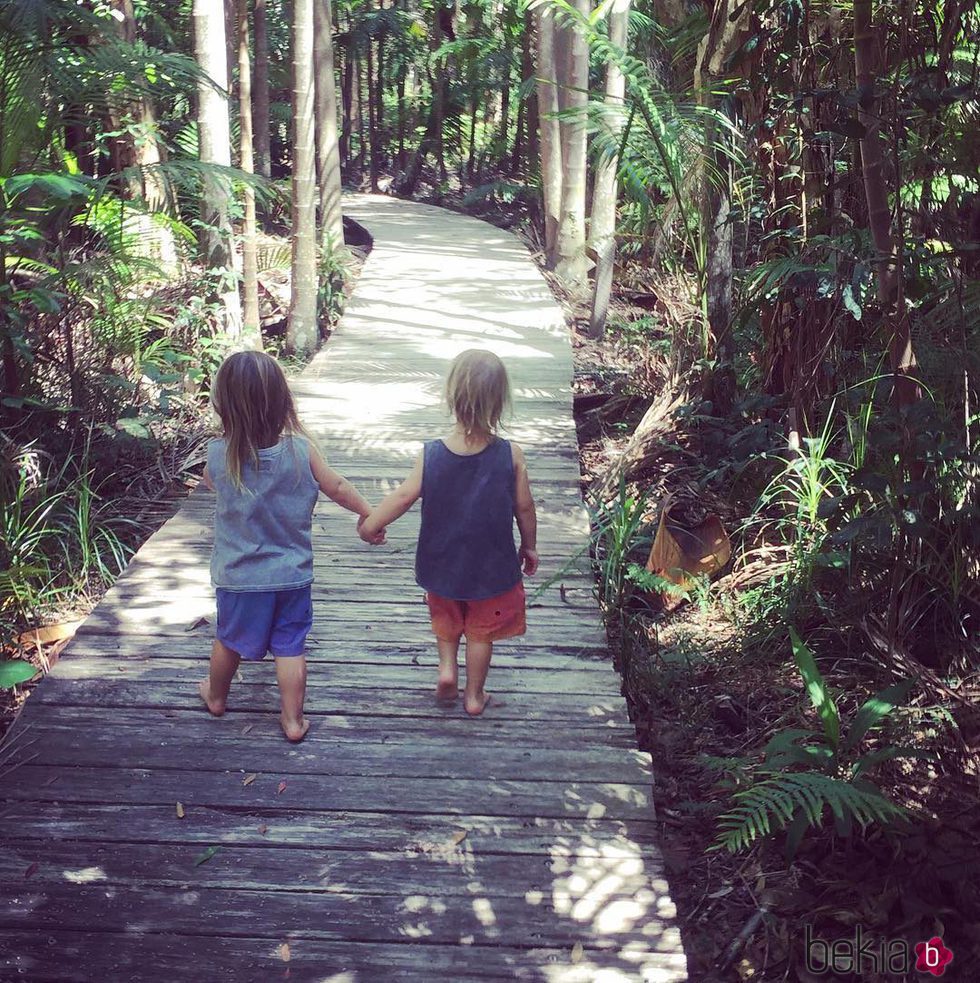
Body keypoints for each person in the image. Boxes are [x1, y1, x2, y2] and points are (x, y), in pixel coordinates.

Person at [198, 350, 380, 742]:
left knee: (229, 639)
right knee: (290, 645)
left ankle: (215, 696)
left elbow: (212, 485)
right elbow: (338, 486)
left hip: (239, 577)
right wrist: (367, 512)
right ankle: (294, 721)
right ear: (284, 402)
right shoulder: (301, 452)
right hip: (292, 576)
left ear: (224, 406)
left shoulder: (218, 457)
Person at [358, 349, 538, 716]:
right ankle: (474, 696)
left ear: (451, 398)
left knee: (446, 620)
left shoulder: (432, 454)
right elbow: (525, 507)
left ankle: (445, 670)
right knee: (481, 632)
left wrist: (371, 523)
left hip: (441, 563)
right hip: (492, 567)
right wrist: (529, 546)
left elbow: (405, 495)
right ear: (500, 402)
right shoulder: (511, 454)